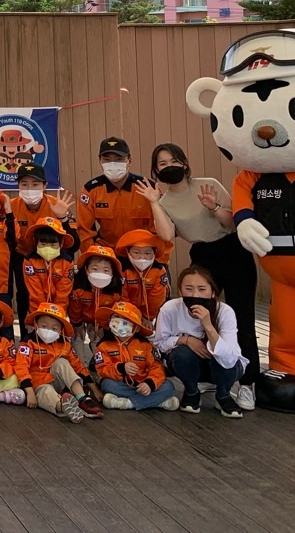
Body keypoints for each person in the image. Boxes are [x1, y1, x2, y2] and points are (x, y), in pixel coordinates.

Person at [144, 142, 256, 408]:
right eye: (162, 164)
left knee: (242, 317)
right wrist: (154, 202)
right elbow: (167, 235)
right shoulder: (164, 202)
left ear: (184, 163)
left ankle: (247, 382)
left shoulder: (208, 184)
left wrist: (213, 207)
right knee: (200, 317)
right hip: (203, 257)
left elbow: (232, 223)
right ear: (155, 170)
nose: (169, 167)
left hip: (233, 250)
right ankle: (209, 375)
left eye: (174, 161)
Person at [152, 266, 247, 418]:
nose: (195, 295)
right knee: (181, 353)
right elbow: (160, 343)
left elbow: (230, 358)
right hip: (190, 365)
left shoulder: (225, 311)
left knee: (223, 355)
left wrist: (208, 326)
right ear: (180, 291)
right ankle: (191, 391)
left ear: (213, 292)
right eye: (188, 289)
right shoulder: (170, 309)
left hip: (223, 369)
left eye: (202, 289)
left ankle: (223, 395)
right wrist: (186, 340)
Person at [76, 137, 172, 260]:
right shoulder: (90, 190)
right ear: (100, 161)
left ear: (129, 161)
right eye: (107, 159)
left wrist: (159, 261)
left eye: (119, 159)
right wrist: (93, 258)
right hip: (107, 255)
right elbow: (85, 231)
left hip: (142, 254)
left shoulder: (148, 188)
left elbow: (161, 229)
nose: (113, 164)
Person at [7, 162, 76, 323]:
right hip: (22, 255)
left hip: (53, 255)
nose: (29, 189)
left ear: (44, 186)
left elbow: (74, 243)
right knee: (24, 294)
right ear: (18, 186)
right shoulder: (10, 206)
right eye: (24, 184)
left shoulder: (57, 205)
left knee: (58, 293)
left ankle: (56, 326)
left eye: (35, 184)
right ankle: (27, 330)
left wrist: (63, 218)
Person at [15, 302, 102, 422]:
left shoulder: (64, 344)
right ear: (36, 324)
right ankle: (63, 407)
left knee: (62, 362)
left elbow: (78, 366)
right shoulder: (28, 343)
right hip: (37, 384)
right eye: (44, 326)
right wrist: (29, 391)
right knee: (46, 393)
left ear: (61, 330)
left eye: (54, 328)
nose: (48, 330)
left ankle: (82, 398)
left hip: (57, 381)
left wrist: (95, 389)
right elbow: (21, 366)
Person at [93, 300, 179, 412]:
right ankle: (156, 401)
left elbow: (157, 368)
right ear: (110, 321)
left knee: (169, 386)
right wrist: (121, 368)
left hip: (144, 384)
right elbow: (102, 369)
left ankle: (128, 403)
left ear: (136, 328)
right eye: (116, 317)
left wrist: (149, 384)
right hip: (121, 384)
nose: (119, 322)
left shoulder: (145, 345)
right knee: (107, 385)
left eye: (126, 319)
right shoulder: (103, 346)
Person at [67, 243, 123, 368]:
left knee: (97, 340)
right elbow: (74, 309)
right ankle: (80, 367)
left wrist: (103, 324)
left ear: (113, 272)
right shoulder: (78, 288)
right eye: (95, 269)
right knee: (77, 337)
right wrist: (77, 324)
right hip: (80, 318)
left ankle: (100, 366)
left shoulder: (115, 291)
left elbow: (114, 311)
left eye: (106, 270)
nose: (100, 273)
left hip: (100, 321)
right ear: (86, 269)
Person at [18, 216, 77, 325]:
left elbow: (63, 293)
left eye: (53, 244)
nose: (48, 248)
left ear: (61, 244)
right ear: (36, 242)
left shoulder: (67, 263)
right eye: (43, 244)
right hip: (36, 309)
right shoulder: (29, 261)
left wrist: (57, 316)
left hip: (59, 311)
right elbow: (35, 291)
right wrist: (39, 315)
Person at [114, 228, 169, 326]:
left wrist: (148, 317)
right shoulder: (123, 270)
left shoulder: (159, 270)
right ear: (128, 252)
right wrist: (129, 315)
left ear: (154, 253)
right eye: (136, 252)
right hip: (126, 313)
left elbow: (157, 298)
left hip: (151, 315)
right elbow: (123, 295)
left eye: (147, 253)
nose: (142, 257)